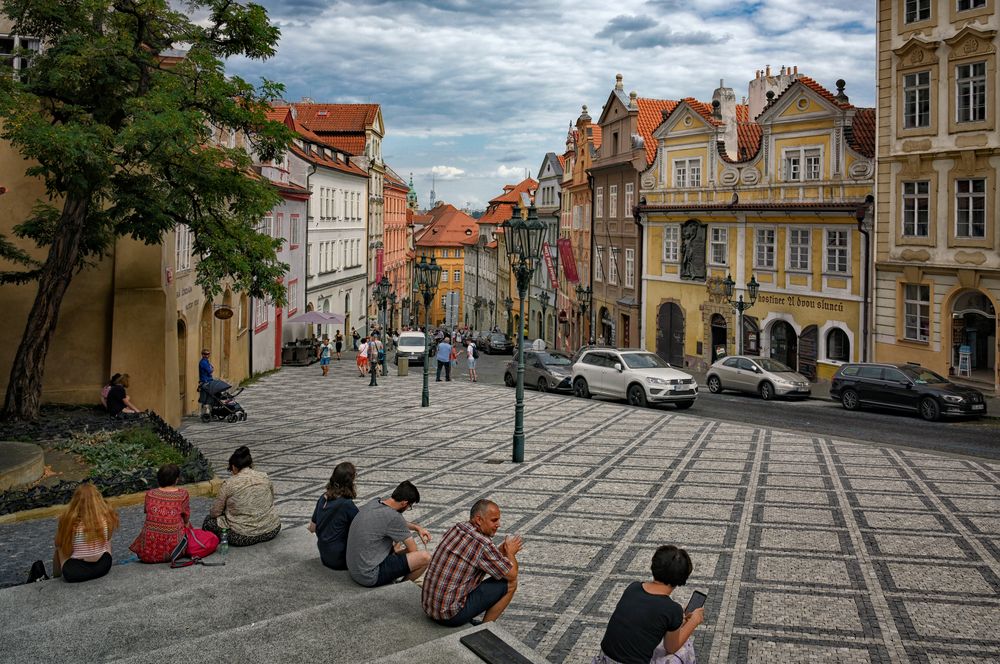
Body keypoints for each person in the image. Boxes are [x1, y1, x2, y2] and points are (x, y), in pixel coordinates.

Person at [594, 545, 704, 664]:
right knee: (684, 649)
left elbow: (646, 619)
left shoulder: (633, 587)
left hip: (603, 659)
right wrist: (694, 621)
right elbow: (671, 647)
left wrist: (677, 620)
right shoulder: (672, 609)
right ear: (682, 579)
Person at [421, 499, 521, 627]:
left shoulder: (457, 527)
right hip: (449, 616)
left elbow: (480, 557)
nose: (498, 524)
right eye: (494, 520)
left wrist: (501, 551)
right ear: (479, 520)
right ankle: (485, 629)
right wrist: (511, 553)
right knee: (511, 583)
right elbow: (512, 574)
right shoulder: (483, 544)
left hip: (429, 607)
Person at [345, 480, 432, 588]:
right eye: (409, 506)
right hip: (369, 575)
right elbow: (412, 550)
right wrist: (399, 553)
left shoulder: (374, 502)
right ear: (404, 503)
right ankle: (400, 587)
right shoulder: (395, 517)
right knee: (425, 558)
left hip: (354, 568)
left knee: (395, 545)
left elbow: (390, 521)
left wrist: (416, 527)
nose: (408, 508)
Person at [203, 446, 281, 547]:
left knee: (209, 521)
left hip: (243, 536)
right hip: (272, 529)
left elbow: (215, 512)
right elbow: (271, 499)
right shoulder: (264, 476)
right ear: (251, 464)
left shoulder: (229, 484)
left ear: (234, 467)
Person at [53, 483, 120, 583]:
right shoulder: (105, 517)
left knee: (59, 548)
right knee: (107, 539)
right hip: (103, 565)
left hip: (75, 572)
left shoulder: (69, 521)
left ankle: (56, 576)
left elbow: (59, 543)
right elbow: (108, 539)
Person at [129, 463, 190, 563]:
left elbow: (148, 512)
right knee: (187, 524)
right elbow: (186, 517)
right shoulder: (182, 494)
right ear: (176, 479)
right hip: (175, 552)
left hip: (148, 554)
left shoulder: (150, 494)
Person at [308, 462, 359, 570]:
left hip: (325, 555)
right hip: (340, 559)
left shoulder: (323, 497)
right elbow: (363, 527)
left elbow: (312, 528)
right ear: (351, 482)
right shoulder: (346, 504)